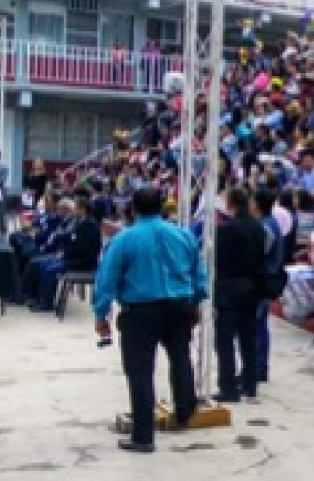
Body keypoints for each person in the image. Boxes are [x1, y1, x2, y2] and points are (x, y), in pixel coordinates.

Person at [93, 187, 207, 453]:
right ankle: (185, 411)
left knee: (140, 371)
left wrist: (101, 314)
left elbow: (107, 280)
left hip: (140, 312)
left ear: (133, 208)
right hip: (179, 306)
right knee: (180, 357)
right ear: (162, 207)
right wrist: (195, 302)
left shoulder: (124, 239)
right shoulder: (184, 235)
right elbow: (199, 274)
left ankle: (143, 436)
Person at [212, 187, 269, 403]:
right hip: (251, 288)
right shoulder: (258, 227)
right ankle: (249, 384)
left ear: (230, 203)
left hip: (229, 288)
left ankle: (228, 387)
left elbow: (219, 259)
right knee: (249, 337)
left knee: (225, 339)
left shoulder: (226, 229)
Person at [251, 188, 284, 384]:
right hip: (265, 279)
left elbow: (259, 254)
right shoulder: (269, 224)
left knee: (257, 326)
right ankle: (259, 366)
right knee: (260, 325)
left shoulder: (266, 227)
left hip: (263, 280)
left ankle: (258, 367)